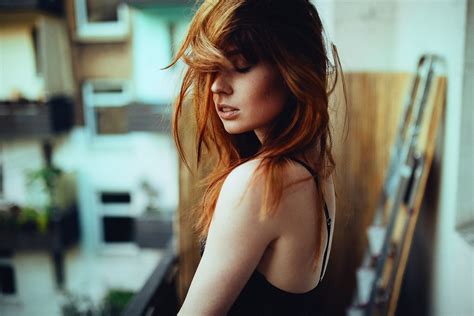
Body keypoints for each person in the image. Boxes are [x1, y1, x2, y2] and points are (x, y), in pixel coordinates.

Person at [168, 0, 344, 314]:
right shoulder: (315, 169)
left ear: (293, 69)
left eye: (240, 67)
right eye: (213, 70)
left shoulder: (261, 182)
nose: (217, 88)